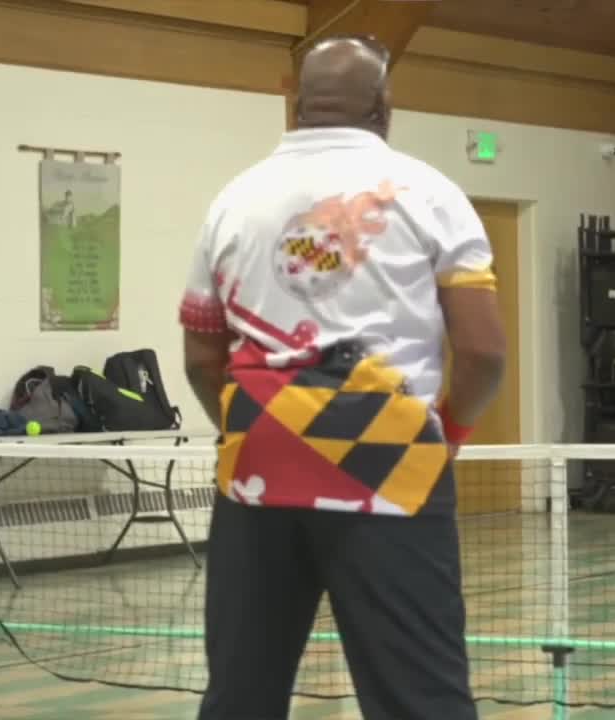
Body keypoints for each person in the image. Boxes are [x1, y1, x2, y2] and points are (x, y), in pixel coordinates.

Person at [179, 35, 505, 719]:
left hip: (257, 464)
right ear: (384, 106)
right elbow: (483, 354)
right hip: (388, 463)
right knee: (421, 699)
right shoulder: (431, 195)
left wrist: (262, 429)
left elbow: (202, 359)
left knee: (240, 694)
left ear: (297, 103)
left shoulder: (233, 200)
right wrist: (447, 436)